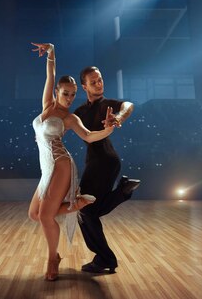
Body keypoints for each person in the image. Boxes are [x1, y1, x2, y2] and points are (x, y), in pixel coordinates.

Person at [27, 43, 116, 281]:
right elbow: (51, 74)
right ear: (57, 91)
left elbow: (89, 135)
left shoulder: (70, 117)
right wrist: (51, 52)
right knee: (34, 214)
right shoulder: (47, 105)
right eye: (65, 93)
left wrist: (108, 129)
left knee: (46, 216)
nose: (69, 98)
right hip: (46, 167)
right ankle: (77, 205)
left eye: (73, 94)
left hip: (60, 164)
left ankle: (52, 259)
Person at [74, 66, 140, 274]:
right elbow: (63, 123)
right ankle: (123, 191)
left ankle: (105, 258)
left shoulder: (108, 105)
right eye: (93, 82)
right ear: (84, 86)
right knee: (88, 210)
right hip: (97, 162)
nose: (99, 84)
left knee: (84, 209)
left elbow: (129, 105)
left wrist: (119, 117)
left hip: (104, 162)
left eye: (100, 79)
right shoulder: (80, 112)